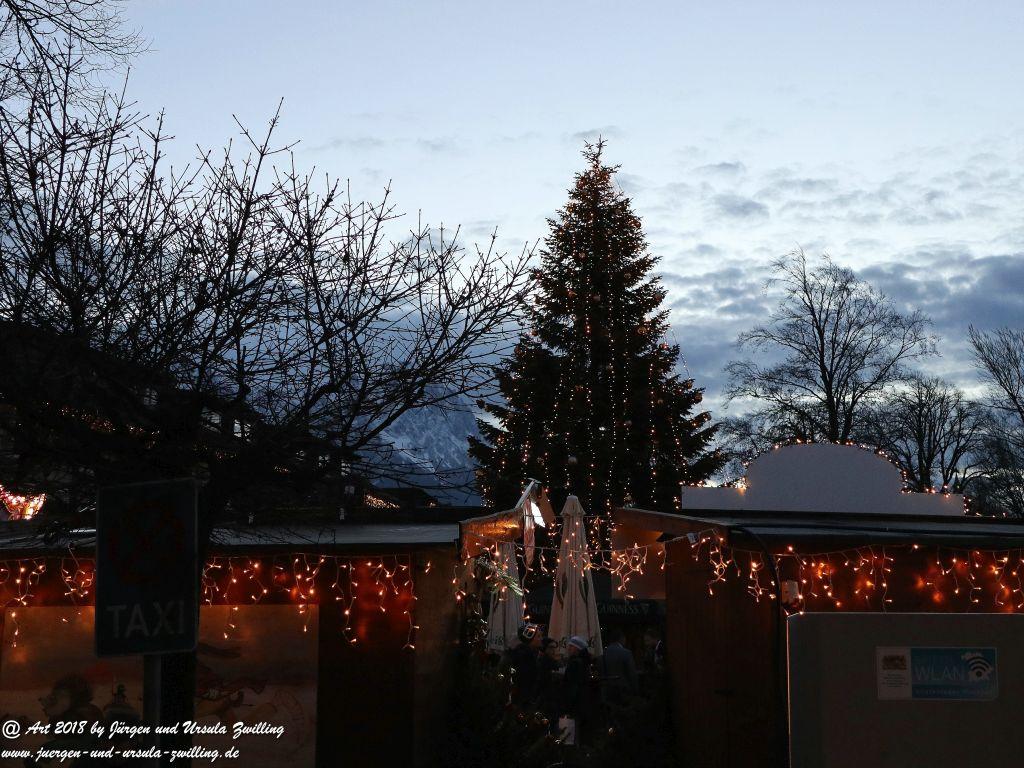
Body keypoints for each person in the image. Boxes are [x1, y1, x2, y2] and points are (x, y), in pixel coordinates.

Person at [561, 635, 593, 744]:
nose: (568, 649)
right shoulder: (584, 663)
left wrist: (567, 703)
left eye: (571, 646)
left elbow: (572, 684)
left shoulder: (574, 663)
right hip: (583, 701)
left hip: (575, 702)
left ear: (577, 648)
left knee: (571, 733)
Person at [505, 623, 543, 706]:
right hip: (522, 702)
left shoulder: (530, 654)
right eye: (538, 636)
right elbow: (525, 681)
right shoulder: (524, 656)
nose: (541, 639)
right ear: (530, 639)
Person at [600, 627, 639, 706]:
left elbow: (601, 672)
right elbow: (632, 674)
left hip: (608, 692)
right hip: (624, 692)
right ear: (622, 639)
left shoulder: (603, 653)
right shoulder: (626, 653)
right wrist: (636, 690)